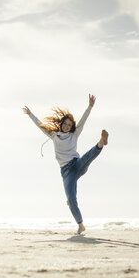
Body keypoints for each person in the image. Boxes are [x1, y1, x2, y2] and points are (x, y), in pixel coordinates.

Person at [23, 94, 108, 234]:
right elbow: (40, 125)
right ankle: (81, 225)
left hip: (77, 164)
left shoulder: (74, 134)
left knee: (88, 156)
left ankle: (101, 142)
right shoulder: (54, 135)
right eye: (66, 124)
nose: (68, 126)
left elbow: (83, 121)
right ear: (62, 124)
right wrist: (30, 114)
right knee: (71, 200)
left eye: (70, 125)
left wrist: (90, 107)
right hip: (67, 173)